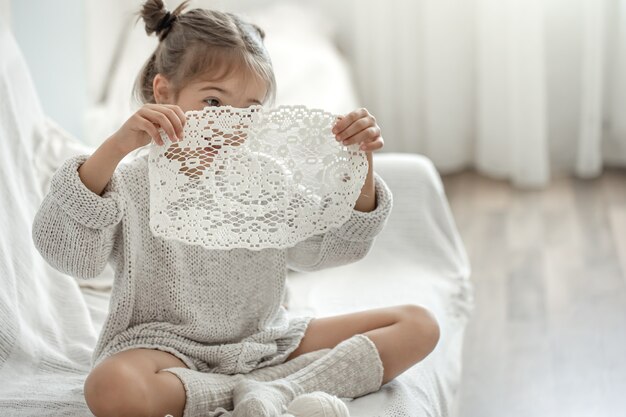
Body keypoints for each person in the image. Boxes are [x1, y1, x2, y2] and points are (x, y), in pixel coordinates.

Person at [31, 1, 441, 416]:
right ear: (163, 93)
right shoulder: (130, 181)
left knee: (418, 325)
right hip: (166, 351)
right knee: (110, 387)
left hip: (266, 342)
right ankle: (270, 389)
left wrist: (360, 161)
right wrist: (115, 147)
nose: (231, 123)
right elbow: (69, 255)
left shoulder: (267, 178)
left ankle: (272, 390)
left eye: (249, 110)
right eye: (213, 102)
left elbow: (329, 250)